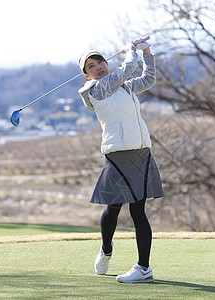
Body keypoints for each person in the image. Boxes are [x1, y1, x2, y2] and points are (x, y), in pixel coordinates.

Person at [78, 38, 163, 284]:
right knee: (114, 206)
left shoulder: (123, 87)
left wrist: (146, 51)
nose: (99, 67)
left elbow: (148, 79)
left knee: (138, 210)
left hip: (141, 151)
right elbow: (125, 71)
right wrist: (130, 53)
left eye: (100, 61)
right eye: (91, 66)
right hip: (118, 153)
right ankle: (106, 250)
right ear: (87, 75)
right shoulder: (96, 89)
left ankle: (144, 268)